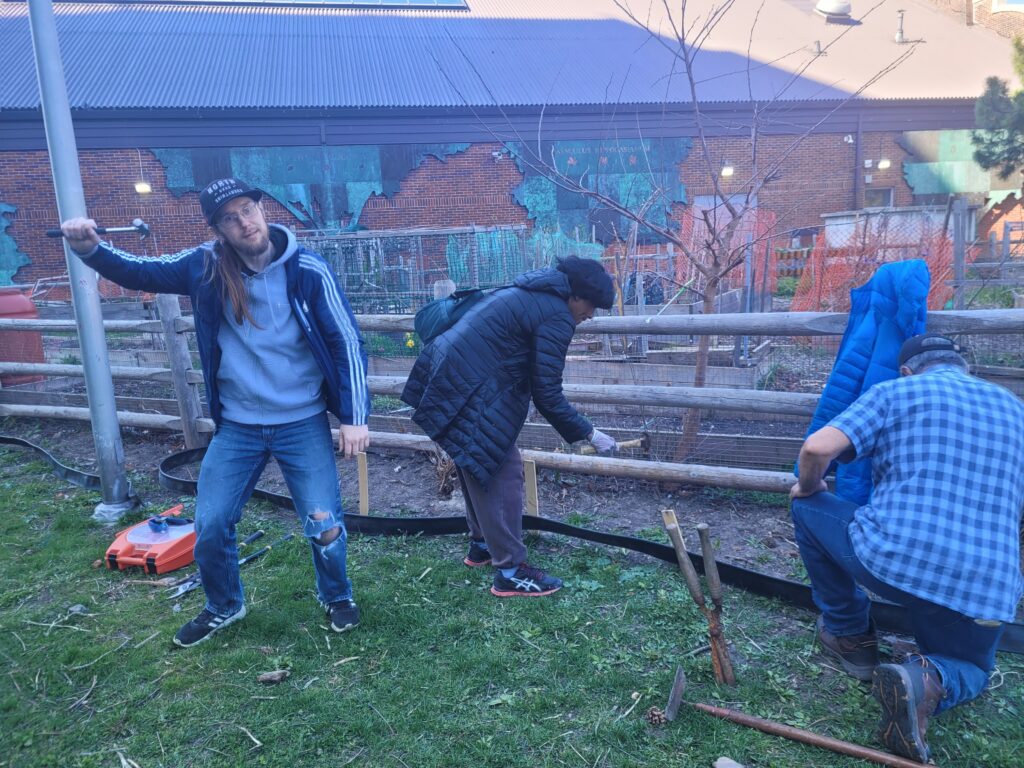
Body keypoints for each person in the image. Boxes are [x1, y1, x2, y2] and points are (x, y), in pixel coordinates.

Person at [60, 178, 371, 647]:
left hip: (301, 420)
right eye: (229, 217)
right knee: (210, 523)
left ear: (262, 210)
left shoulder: (307, 269)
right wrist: (91, 250)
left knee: (323, 522)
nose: (243, 222)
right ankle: (224, 604)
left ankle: (337, 595)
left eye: (248, 209)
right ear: (219, 229)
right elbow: (142, 272)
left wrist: (354, 415)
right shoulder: (205, 267)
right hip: (239, 426)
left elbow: (345, 340)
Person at [789, 333, 1024, 762]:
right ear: (965, 367)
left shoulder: (896, 392)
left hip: (895, 561)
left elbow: (817, 447)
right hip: (985, 587)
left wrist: (809, 486)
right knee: (973, 668)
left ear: (906, 370)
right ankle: (929, 678)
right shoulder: (1015, 408)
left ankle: (850, 637)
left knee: (807, 507)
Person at [401, 256, 618, 597]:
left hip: (449, 375)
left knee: (475, 459)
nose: (590, 314)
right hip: (468, 384)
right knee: (502, 467)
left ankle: (482, 546)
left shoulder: (530, 291)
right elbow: (547, 393)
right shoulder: (556, 313)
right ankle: (511, 571)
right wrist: (588, 433)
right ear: (576, 294)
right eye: (591, 305)